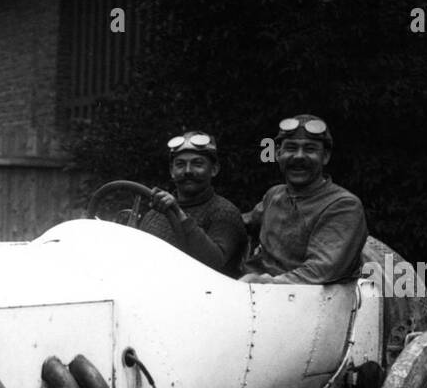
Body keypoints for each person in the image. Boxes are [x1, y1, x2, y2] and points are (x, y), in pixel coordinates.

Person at [240, 114, 367, 285]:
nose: (299, 156)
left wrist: (266, 284)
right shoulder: (274, 195)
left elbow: (321, 271)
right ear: (278, 154)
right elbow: (245, 221)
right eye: (291, 148)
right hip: (254, 294)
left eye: (310, 149)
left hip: (310, 302)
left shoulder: (343, 205)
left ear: (326, 156)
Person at [138, 131, 247, 277]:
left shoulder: (225, 213)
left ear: (214, 169)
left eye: (197, 164)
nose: (188, 171)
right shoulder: (154, 215)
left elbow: (215, 264)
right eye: (180, 164)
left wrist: (179, 215)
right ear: (172, 171)